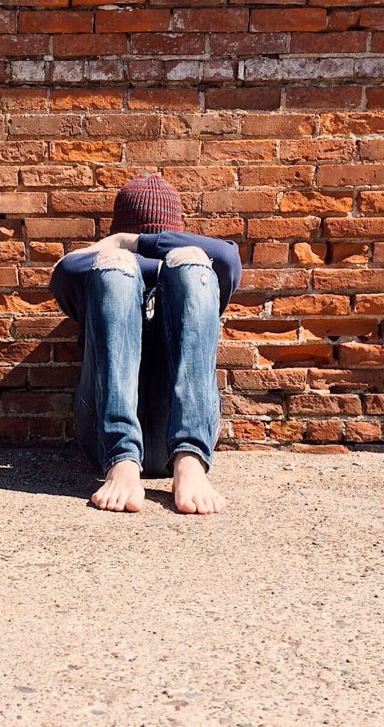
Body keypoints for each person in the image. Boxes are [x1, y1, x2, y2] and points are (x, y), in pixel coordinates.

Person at [50, 173, 242, 514]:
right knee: (114, 269)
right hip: (103, 435)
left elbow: (226, 258)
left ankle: (190, 460)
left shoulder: (193, 273)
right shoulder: (104, 274)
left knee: (193, 263)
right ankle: (122, 460)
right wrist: (120, 250)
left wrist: (135, 242)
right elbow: (63, 270)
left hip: (188, 430)